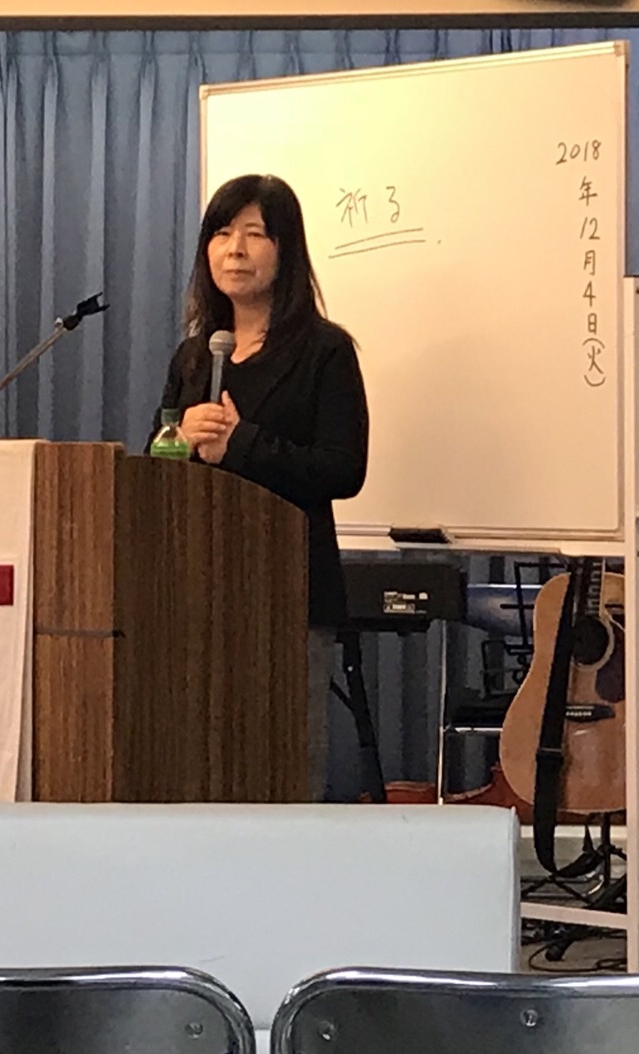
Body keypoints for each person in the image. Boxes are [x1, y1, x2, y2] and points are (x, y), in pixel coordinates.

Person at [149, 173, 369, 801]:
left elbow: (343, 470)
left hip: (287, 591)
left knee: (283, 765)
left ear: (286, 249)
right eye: (221, 233)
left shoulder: (325, 352)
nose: (235, 250)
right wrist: (179, 439)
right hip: (193, 592)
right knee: (194, 763)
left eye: (254, 234)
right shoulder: (195, 357)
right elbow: (153, 469)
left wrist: (241, 444)